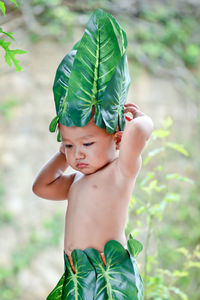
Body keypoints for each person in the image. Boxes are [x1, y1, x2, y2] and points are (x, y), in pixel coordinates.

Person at [32, 9, 153, 300]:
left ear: (118, 139)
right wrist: (63, 153)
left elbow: (140, 132)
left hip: (109, 274)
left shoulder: (121, 172)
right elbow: (41, 187)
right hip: (77, 277)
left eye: (87, 144)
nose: (77, 154)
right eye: (70, 145)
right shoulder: (74, 182)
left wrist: (141, 118)